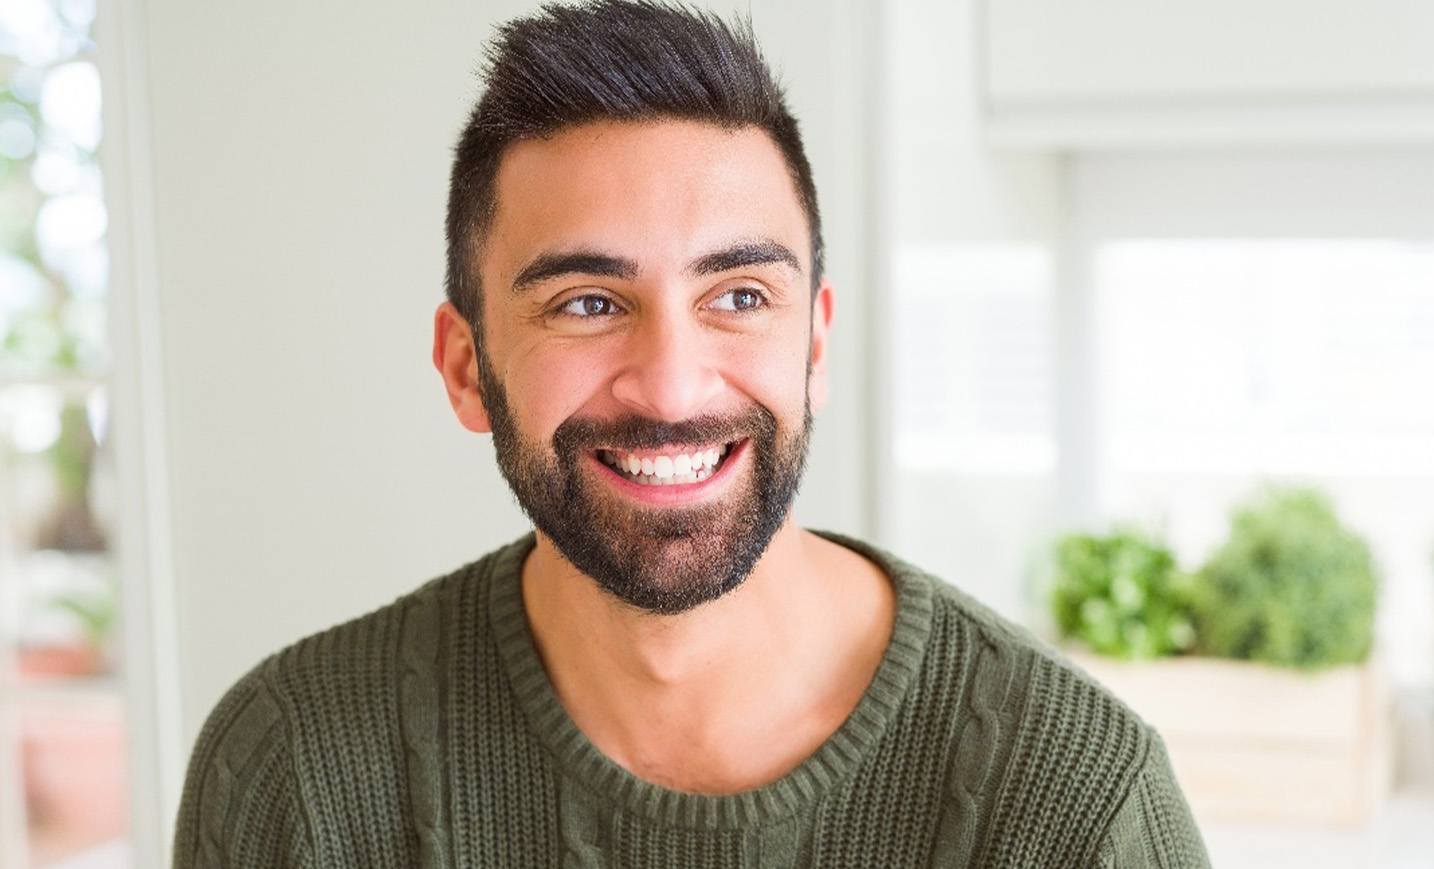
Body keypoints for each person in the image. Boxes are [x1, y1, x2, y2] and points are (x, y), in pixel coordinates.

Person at [171, 2, 1208, 866]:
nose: (671, 382)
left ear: (815, 344)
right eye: (586, 302)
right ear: (464, 366)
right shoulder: (293, 768)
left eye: (740, 293)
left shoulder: (1076, 800)